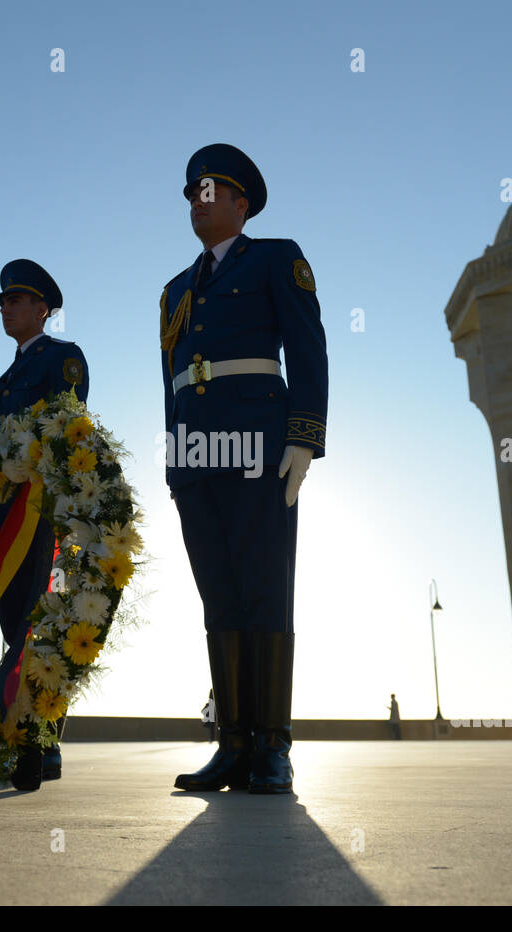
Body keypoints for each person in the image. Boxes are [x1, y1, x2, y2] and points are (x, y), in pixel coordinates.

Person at [162, 144, 328, 795]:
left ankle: (271, 746)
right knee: (219, 597)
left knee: (265, 590)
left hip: (260, 445)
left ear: (240, 203)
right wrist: (175, 459)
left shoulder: (276, 257)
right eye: (191, 193)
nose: (198, 202)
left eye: (210, 191)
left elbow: (307, 344)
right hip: (197, 458)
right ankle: (231, 743)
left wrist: (305, 437)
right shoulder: (175, 289)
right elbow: (172, 381)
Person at [0, 260, 88, 791]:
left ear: (42, 308)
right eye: (1, 302)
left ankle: (45, 742)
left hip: (42, 512)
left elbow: (66, 428)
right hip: (3, 513)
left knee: (36, 623)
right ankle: (18, 730)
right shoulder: (2, 380)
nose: (5, 308)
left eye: (15, 300)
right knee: (8, 619)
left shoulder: (62, 358)